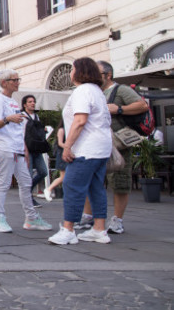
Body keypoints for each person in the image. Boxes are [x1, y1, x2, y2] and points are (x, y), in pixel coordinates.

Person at [77, 61, 149, 233]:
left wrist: (119, 109)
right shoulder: (93, 92)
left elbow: (142, 105)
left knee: (120, 181)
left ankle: (117, 220)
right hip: (95, 143)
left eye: (98, 73)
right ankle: (88, 216)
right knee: (91, 180)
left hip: (118, 144)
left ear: (108, 75)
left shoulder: (121, 90)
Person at [48, 57, 112, 245]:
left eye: (72, 69)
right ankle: (99, 229)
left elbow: (80, 120)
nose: (70, 72)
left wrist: (67, 146)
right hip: (101, 148)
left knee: (71, 185)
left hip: (86, 149)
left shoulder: (82, 91)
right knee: (95, 188)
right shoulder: (97, 92)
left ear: (79, 71)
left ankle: (68, 229)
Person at [0, 70, 52, 233]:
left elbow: (17, 129)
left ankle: (31, 218)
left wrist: (24, 149)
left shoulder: (13, 102)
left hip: (17, 148)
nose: (17, 82)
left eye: (18, 79)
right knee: (4, 183)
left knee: (26, 182)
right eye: (14, 80)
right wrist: (8, 119)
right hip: (5, 147)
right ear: (4, 83)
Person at [21, 95, 49, 208]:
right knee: (28, 175)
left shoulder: (36, 117)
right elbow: (21, 134)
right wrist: (24, 150)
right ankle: (29, 198)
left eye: (34, 101)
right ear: (25, 105)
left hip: (37, 148)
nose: (33, 103)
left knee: (43, 172)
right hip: (28, 149)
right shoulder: (23, 117)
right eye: (30, 102)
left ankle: (27, 192)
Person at [44, 120, 67, 202]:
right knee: (63, 177)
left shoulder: (67, 130)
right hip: (62, 155)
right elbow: (60, 143)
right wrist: (69, 147)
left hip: (65, 154)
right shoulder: (62, 130)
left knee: (66, 177)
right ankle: (49, 189)